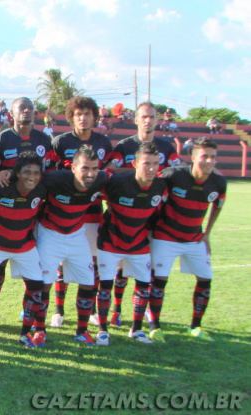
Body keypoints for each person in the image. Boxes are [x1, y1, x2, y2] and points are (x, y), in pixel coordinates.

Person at [105, 101, 181, 326]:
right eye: (144, 117)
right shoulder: (125, 146)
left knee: (150, 268)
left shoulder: (166, 147)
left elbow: (178, 170)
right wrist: (135, 175)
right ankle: (117, 310)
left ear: (157, 120)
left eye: (152, 117)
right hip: (125, 215)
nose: (148, 120)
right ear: (136, 120)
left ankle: (148, 312)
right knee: (121, 267)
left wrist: (159, 175)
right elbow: (109, 170)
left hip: (156, 216)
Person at [0, 97, 56, 330]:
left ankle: (30, 314)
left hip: (33, 211)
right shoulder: (1, 140)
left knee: (34, 266)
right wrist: (1, 175)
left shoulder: (44, 140)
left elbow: (51, 173)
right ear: (11, 114)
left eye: (30, 108)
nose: (26, 111)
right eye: (21, 108)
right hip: (4, 210)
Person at [148, 137, 226, 342]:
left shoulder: (219, 182)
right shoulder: (174, 175)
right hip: (165, 237)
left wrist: (207, 233)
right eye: (204, 156)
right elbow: (153, 196)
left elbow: (218, 206)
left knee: (205, 278)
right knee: (159, 280)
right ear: (192, 157)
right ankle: (154, 325)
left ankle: (196, 326)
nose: (209, 161)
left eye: (213, 157)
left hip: (194, 239)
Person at [94, 142, 167, 346]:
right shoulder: (116, 182)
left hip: (138, 244)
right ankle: (102, 330)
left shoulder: (161, 186)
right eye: (146, 163)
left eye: (155, 163)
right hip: (110, 242)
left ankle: (136, 329)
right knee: (105, 287)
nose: (151, 168)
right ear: (134, 163)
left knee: (143, 286)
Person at [0, 152, 47, 350]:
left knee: (36, 289)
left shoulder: (42, 188)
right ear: (16, 173)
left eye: (36, 172)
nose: (31, 176)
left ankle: (25, 334)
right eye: (26, 172)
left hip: (23, 246)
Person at [35, 145, 107, 345]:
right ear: (73, 167)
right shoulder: (55, 179)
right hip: (49, 233)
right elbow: (28, 182)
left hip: (76, 234)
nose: (90, 173)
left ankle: (81, 331)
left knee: (87, 280)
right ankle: (39, 328)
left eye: (94, 168)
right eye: (85, 168)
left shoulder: (101, 180)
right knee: (43, 282)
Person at [50, 96, 112, 328]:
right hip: (63, 212)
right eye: (78, 114)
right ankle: (58, 310)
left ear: (94, 117)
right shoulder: (60, 143)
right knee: (61, 262)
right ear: (71, 117)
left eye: (87, 114)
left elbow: (107, 177)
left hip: (92, 212)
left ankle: (93, 309)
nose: (83, 118)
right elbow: (51, 176)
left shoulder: (104, 143)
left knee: (92, 263)